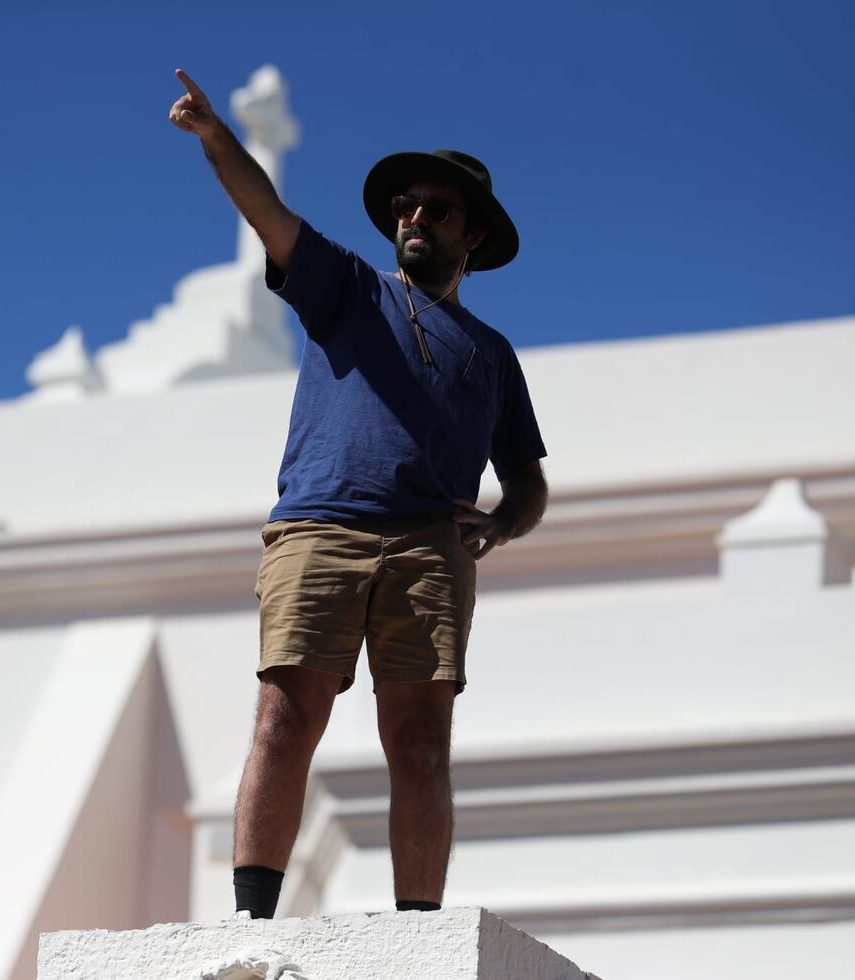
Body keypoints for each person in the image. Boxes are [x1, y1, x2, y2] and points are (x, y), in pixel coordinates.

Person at [169, 68, 548, 921]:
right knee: (283, 719)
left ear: (473, 237)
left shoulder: (492, 356)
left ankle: (419, 934)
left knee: (419, 746)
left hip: (431, 550)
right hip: (318, 528)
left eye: (437, 209)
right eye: (406, 205)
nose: (414, 217)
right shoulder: (346, 287)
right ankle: (250, 921)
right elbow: (267, 213)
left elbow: (528, 478)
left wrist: (497, 525)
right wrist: (216, 136)